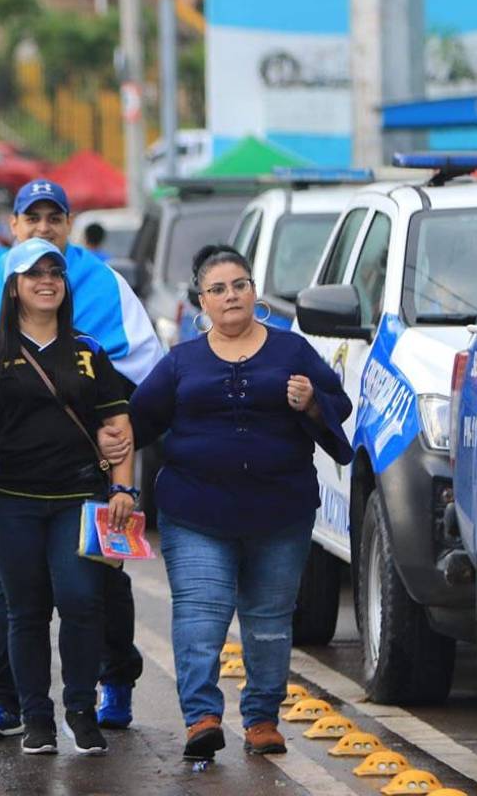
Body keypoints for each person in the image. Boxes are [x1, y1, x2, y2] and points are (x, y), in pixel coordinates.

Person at [0, 179, 163, 738]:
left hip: (85, 477)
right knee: (11, 592)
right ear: (13, 227)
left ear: (69, 225)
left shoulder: (106, 285)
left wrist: (116, 446)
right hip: (10, 482)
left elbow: (144, 369)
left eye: (54, 217)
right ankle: (4, 701)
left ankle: (112, 683)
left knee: (97, 587)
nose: (44, 227)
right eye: (32, 218)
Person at [128, 246, 353, 760]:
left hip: (280, 512)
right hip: (197, 511)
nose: (231, 296)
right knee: (202, 616)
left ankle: (262, 720)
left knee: (270, 622)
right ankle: (202, 717)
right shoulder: (181, 361)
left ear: (254, 292)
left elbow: (337, 406)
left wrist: (311, 402)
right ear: (201, 301)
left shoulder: (292, 351)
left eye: (240, 285)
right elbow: (138, 421)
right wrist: (106, 455)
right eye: (218, 289)